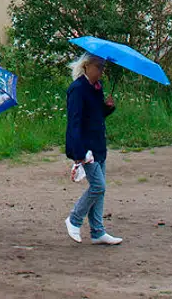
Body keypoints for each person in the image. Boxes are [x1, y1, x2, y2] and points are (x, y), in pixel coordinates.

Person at [63, 53, 123, 245]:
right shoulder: (77, 89)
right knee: (98, 186)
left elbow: (96, 116)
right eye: (99, 67)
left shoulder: (96, 88)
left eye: (103, 68)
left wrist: (108, 108)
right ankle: (74, 219)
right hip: (85, 148)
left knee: (100, 189)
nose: (101, 71)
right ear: (87, 66)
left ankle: (97, 232)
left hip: (98, 145)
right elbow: (74, 123)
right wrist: (78, 153)